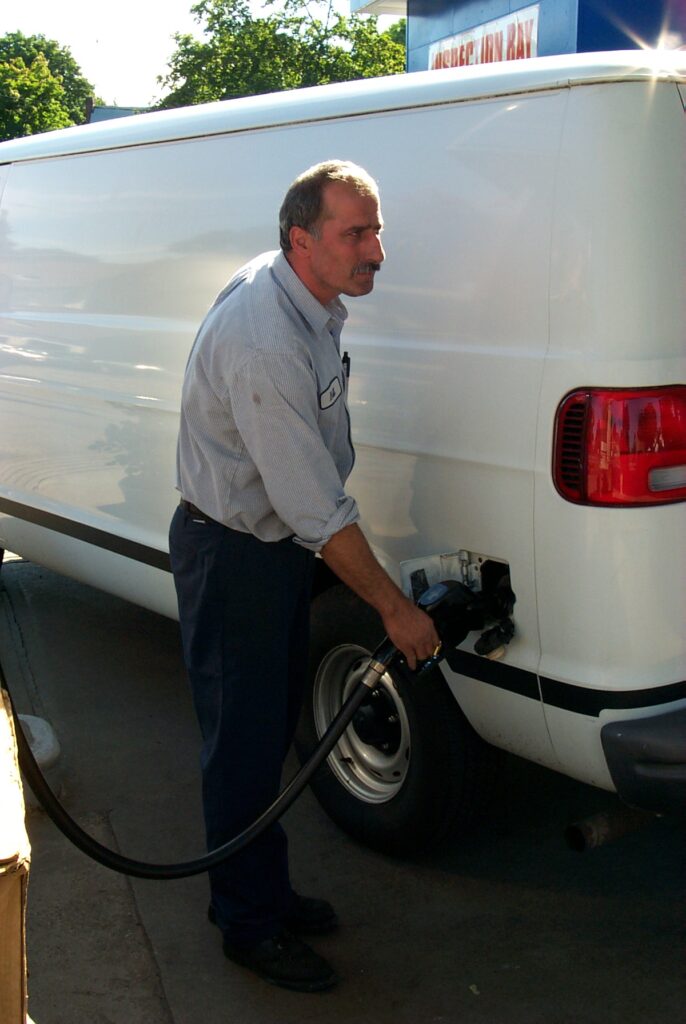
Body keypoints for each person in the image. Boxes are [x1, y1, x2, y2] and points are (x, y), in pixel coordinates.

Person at [169, 160, 439, 992]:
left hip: (268, 549)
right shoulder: (266, 337)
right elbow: (317, 508)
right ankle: (247, 925)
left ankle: (259, 891)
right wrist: (395, 610)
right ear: (301, 239)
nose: (378, 251)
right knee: (244, 745)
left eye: (377, 228)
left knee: (268, 728)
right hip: (236, 555)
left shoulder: (305, 300)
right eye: (357, 233)